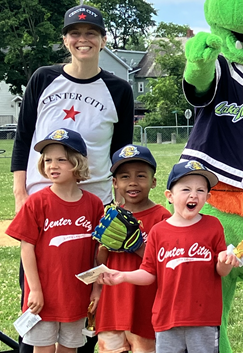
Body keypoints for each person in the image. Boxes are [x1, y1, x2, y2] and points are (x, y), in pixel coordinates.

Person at [10, 3, 134, 353]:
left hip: (93, 206)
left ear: (103, 40)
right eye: (75, 33)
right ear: (65, 40)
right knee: (38, 292)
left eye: (91, 33)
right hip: (44, 202)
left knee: (86, 293)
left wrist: (120, 200)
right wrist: (21, 192)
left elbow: (121, 151)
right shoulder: (44, 78)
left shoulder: (119, 90)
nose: (83, 39)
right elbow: (23, 139)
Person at [102, 161, 243, 353]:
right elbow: (149, 272)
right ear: (169, 195)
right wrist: (123, 276)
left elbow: (221, 271)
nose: (194, 195)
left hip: (203, 318)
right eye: (186, 189)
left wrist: (225, 261)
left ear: (208, 197)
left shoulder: (213, 225)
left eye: (200, 190)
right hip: (166, 317)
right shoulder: (159, 231)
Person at [5, 128, 104, 353]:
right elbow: (27, 248)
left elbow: (99, 252)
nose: (53, 165)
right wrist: (35, 290)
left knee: (70, 349)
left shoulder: (94, 204)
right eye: (48, 160)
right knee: (43, 349)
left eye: (61, 159)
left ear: (78, 162)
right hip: (44, 297)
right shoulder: (37, 202)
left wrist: (97, 288)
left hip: (77, 296)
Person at [94, 145, 170, 353]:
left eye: (141, 176)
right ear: (115, 183)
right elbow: (101, 262)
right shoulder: (110, 217)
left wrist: (136, 245)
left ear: (153, 182)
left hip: (145, 306)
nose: (133, 182)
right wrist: (103, 246)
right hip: (112, 304)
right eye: (125, 176)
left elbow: (164, 267)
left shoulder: (162, 218)